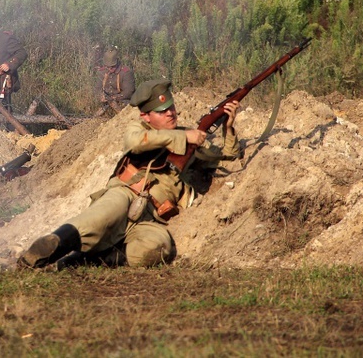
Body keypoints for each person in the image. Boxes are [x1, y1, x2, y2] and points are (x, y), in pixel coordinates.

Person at [18, 79, 241, 270]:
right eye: (162, 111)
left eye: (171, 108)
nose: (170, 113)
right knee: (98, 218)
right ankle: (41, 253)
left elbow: (227, 156)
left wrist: (228, 128)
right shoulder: (140, 130)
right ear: (146, 116)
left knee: (158, 247)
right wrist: (183, 138)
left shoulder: (189, 140)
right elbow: (135, 143)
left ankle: (86, 260)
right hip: (126, 194)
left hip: (151, 216)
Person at [95, 48, 135, 114]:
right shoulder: (102, 72)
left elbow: (129, 92)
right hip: (106, 103)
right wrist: (100, 96)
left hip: (122, 102)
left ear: (117, 63)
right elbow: (97, 89)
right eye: (108, 67)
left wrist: (113, 98)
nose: (110, 68)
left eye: (112, 66)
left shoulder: (126, 72)